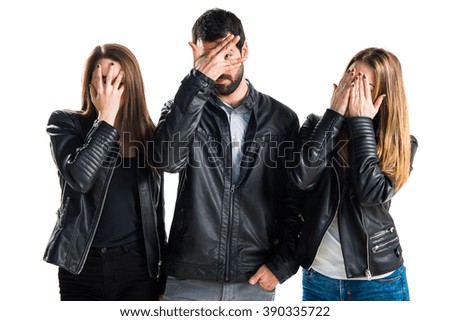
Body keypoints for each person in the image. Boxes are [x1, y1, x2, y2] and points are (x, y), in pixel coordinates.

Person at [151, 8, 302, 301]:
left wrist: (282, 264)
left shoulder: (281, 119)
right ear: (196, 58)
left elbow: (294, 200)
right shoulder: (181, 109)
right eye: (210, 58)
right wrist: (197, 80)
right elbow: (166, 160)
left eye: (228, 56)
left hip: (255, 279)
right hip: (188, 277)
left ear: (244, 51)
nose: (220, 69)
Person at [290, 47, 418, 301]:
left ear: (383, 96)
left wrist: (361, 124)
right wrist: (334, 114)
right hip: (319, 280)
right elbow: (302, 178)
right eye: (351, 77)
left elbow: (371, 193)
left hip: (378, 282)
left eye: (364, 86)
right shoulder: (317, 125)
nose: (352, 89)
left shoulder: (402, 143)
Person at [43, 43, 166, 300]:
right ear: (90, 85)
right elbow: (80, 177)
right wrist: (105, 119)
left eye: (115, 80)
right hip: (81, 264)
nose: (107, 86)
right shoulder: (65, 123)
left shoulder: (147, 135)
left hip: (137, 267)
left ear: (131, 84)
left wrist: (163, 269)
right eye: (100, 78)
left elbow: (156, 212)